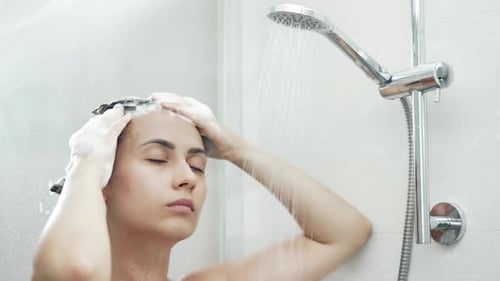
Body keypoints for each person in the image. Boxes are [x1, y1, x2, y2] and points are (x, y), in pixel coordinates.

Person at [32, 93, 372, 281]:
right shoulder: (67, 265)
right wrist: (85, 162)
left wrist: (237, 149)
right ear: (102, 181)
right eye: (156, 159)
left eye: (198, 165)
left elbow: (344, 233)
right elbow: (77, 271)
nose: (188, 177)